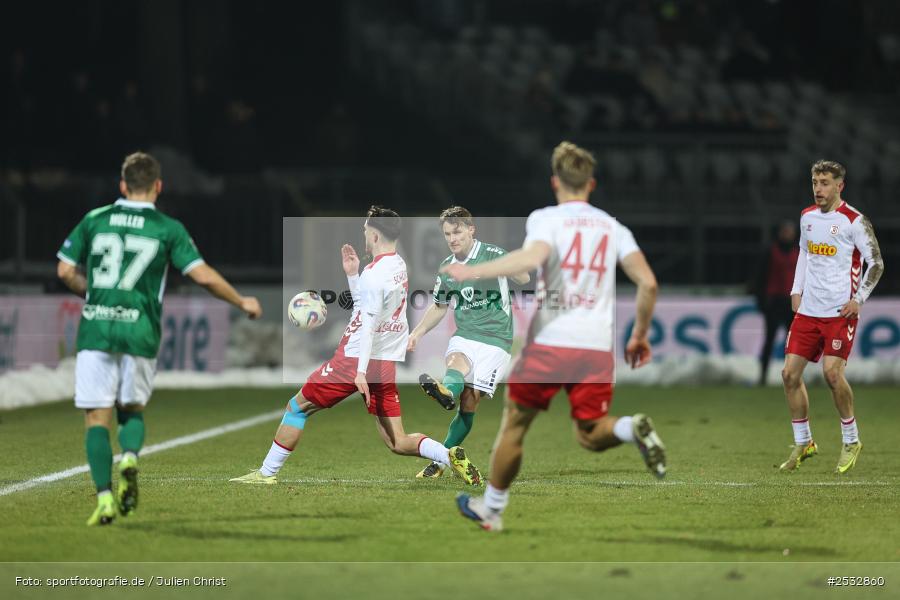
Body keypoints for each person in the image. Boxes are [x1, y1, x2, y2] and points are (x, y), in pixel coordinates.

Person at [443, 142, 666, 532]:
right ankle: (632, 427)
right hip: (596, 349)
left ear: (555, 182)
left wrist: (474, 271)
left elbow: (530, 260)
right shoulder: (613, 227)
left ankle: (491, 510)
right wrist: (639, 337)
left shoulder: (547, 218)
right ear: (591, 184)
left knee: (515, 424)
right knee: (591, 433)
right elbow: (648, 283)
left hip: (552, 343)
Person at [56, 152, 262, 526]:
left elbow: (64, 269)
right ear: (158, 186)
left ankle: (103, 499)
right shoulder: (167, 228)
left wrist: (92, 292)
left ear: (122, 185)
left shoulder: (94, 220)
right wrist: (240, 300)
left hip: (97, 329)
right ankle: (130, 457)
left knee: (96, 416)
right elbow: (202, 275)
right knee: (131, 411)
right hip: (140, 329)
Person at [230, 207, 482, 486]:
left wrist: (360, 372)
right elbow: (365, 308)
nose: (363, 233)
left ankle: (266, 474)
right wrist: (352, 275)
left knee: (296, 408)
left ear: (374, 234)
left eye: (365, 229)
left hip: (354, 360)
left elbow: (368, 325)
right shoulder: (397, 264)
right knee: (397, 441)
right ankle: (449, 455)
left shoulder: (375, 275)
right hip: (383, 363)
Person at [407, 206, 529, 479]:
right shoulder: (447, 268)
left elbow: (524, 277)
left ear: (471, 229)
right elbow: (439, 306)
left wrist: (497, 268)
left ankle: (439, 462)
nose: (452, 238)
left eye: (457, 231)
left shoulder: (492, 254)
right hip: (466, 333)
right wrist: (417, 332)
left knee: (470, 403)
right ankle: (446, 391)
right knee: (456, 362)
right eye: (448, 233)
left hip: (497, 339)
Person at [779, 160, 883, 474]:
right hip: (809, 310)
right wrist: (795, 290)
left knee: (832, 375)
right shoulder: (807, 217)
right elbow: (804, 254)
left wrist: (858, 299)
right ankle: (804, 441)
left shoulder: (855, 221)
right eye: (815, 182)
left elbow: (876, 263)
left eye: (825, 183)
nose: (818, 189)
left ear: (840, 186)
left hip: (840, 312)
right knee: (789, 375)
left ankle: (851, 439)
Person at [752, 221, 799, 385]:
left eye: (790, 231)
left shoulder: (798, 251)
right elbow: (760, 278)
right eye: (786, 231)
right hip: (774, 303)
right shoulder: (770, 251)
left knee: (793, 343)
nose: (788, 234)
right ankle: (763, 376)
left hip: (791, 303)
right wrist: (761, 302)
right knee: (769, 340)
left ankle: (792, 376)